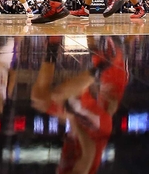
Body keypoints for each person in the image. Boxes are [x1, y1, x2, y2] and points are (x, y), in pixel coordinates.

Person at [30, 35, 128, 174]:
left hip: (78, 129)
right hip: (96, 129)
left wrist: (68, 122)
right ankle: (103, 65)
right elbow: (90, 151)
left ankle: (53, 45)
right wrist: (72, 120)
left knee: (38, 97)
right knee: (60, 94)